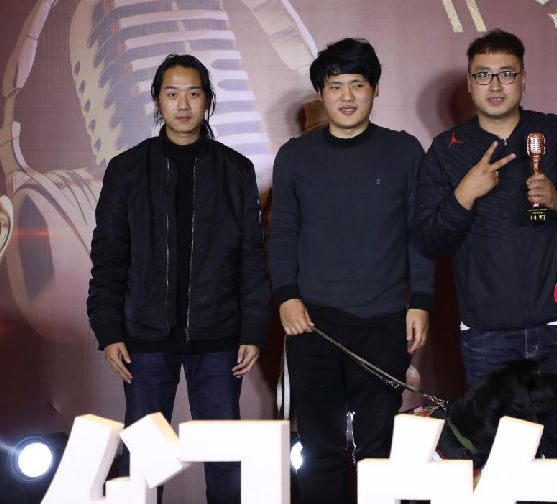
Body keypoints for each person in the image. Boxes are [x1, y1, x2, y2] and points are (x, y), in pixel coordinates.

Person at [414, 29, 557, 459]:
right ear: (469, 83)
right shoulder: (447, 150)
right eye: (483, 75)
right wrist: (464, 195)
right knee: (498, 463)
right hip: (487, 329)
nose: (495, 85)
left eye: (506, 73)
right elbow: (429, 239)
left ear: (523, 79)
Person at [86, 54, 271, 503]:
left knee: (225, 460)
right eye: (172, 94)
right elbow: (109, 258)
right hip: (145, 339)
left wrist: (252, 329)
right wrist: (109, 330)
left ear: (208, 100)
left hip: (219, 337)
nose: (183, 104)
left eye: (193, 93)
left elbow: (251, 257)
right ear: (156, 99)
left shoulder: (235, 169)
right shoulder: (127, 169)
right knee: (143, 464)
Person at [269, 37, 435, 503]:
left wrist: (421, 300)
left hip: (383, 321)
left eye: (357, 85)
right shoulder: (295, 156)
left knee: (377, 451)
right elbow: (282, 233)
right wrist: (286, 295)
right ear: (320, 93)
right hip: (312, 323)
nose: (346, 96)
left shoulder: (403, 151)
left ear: (375, 89)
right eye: (335, 86)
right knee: (319, 448)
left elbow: (419, 233)